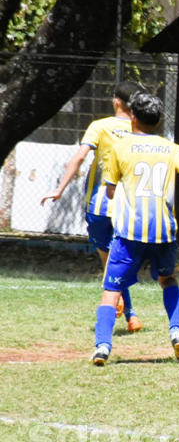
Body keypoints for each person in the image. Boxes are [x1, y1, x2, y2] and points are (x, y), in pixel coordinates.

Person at [91, 92, 179, 365]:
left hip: (129, 233)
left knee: (111, 291)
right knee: (168, 280)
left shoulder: (119, 147)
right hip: (163, 231)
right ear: (158, 121)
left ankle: (103, 347)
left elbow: (110, 191)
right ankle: (177, 332)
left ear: (133, 116)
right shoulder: (172, 148)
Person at [42, 82, 145, 333]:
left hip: (100, 205)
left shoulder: (100, 126)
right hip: (129, 207)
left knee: (108, 261)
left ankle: (127, 309)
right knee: (118, 260)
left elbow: (79, 157)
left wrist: (59, 189)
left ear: (116, 101)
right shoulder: (141, 129)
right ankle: (130, 315)